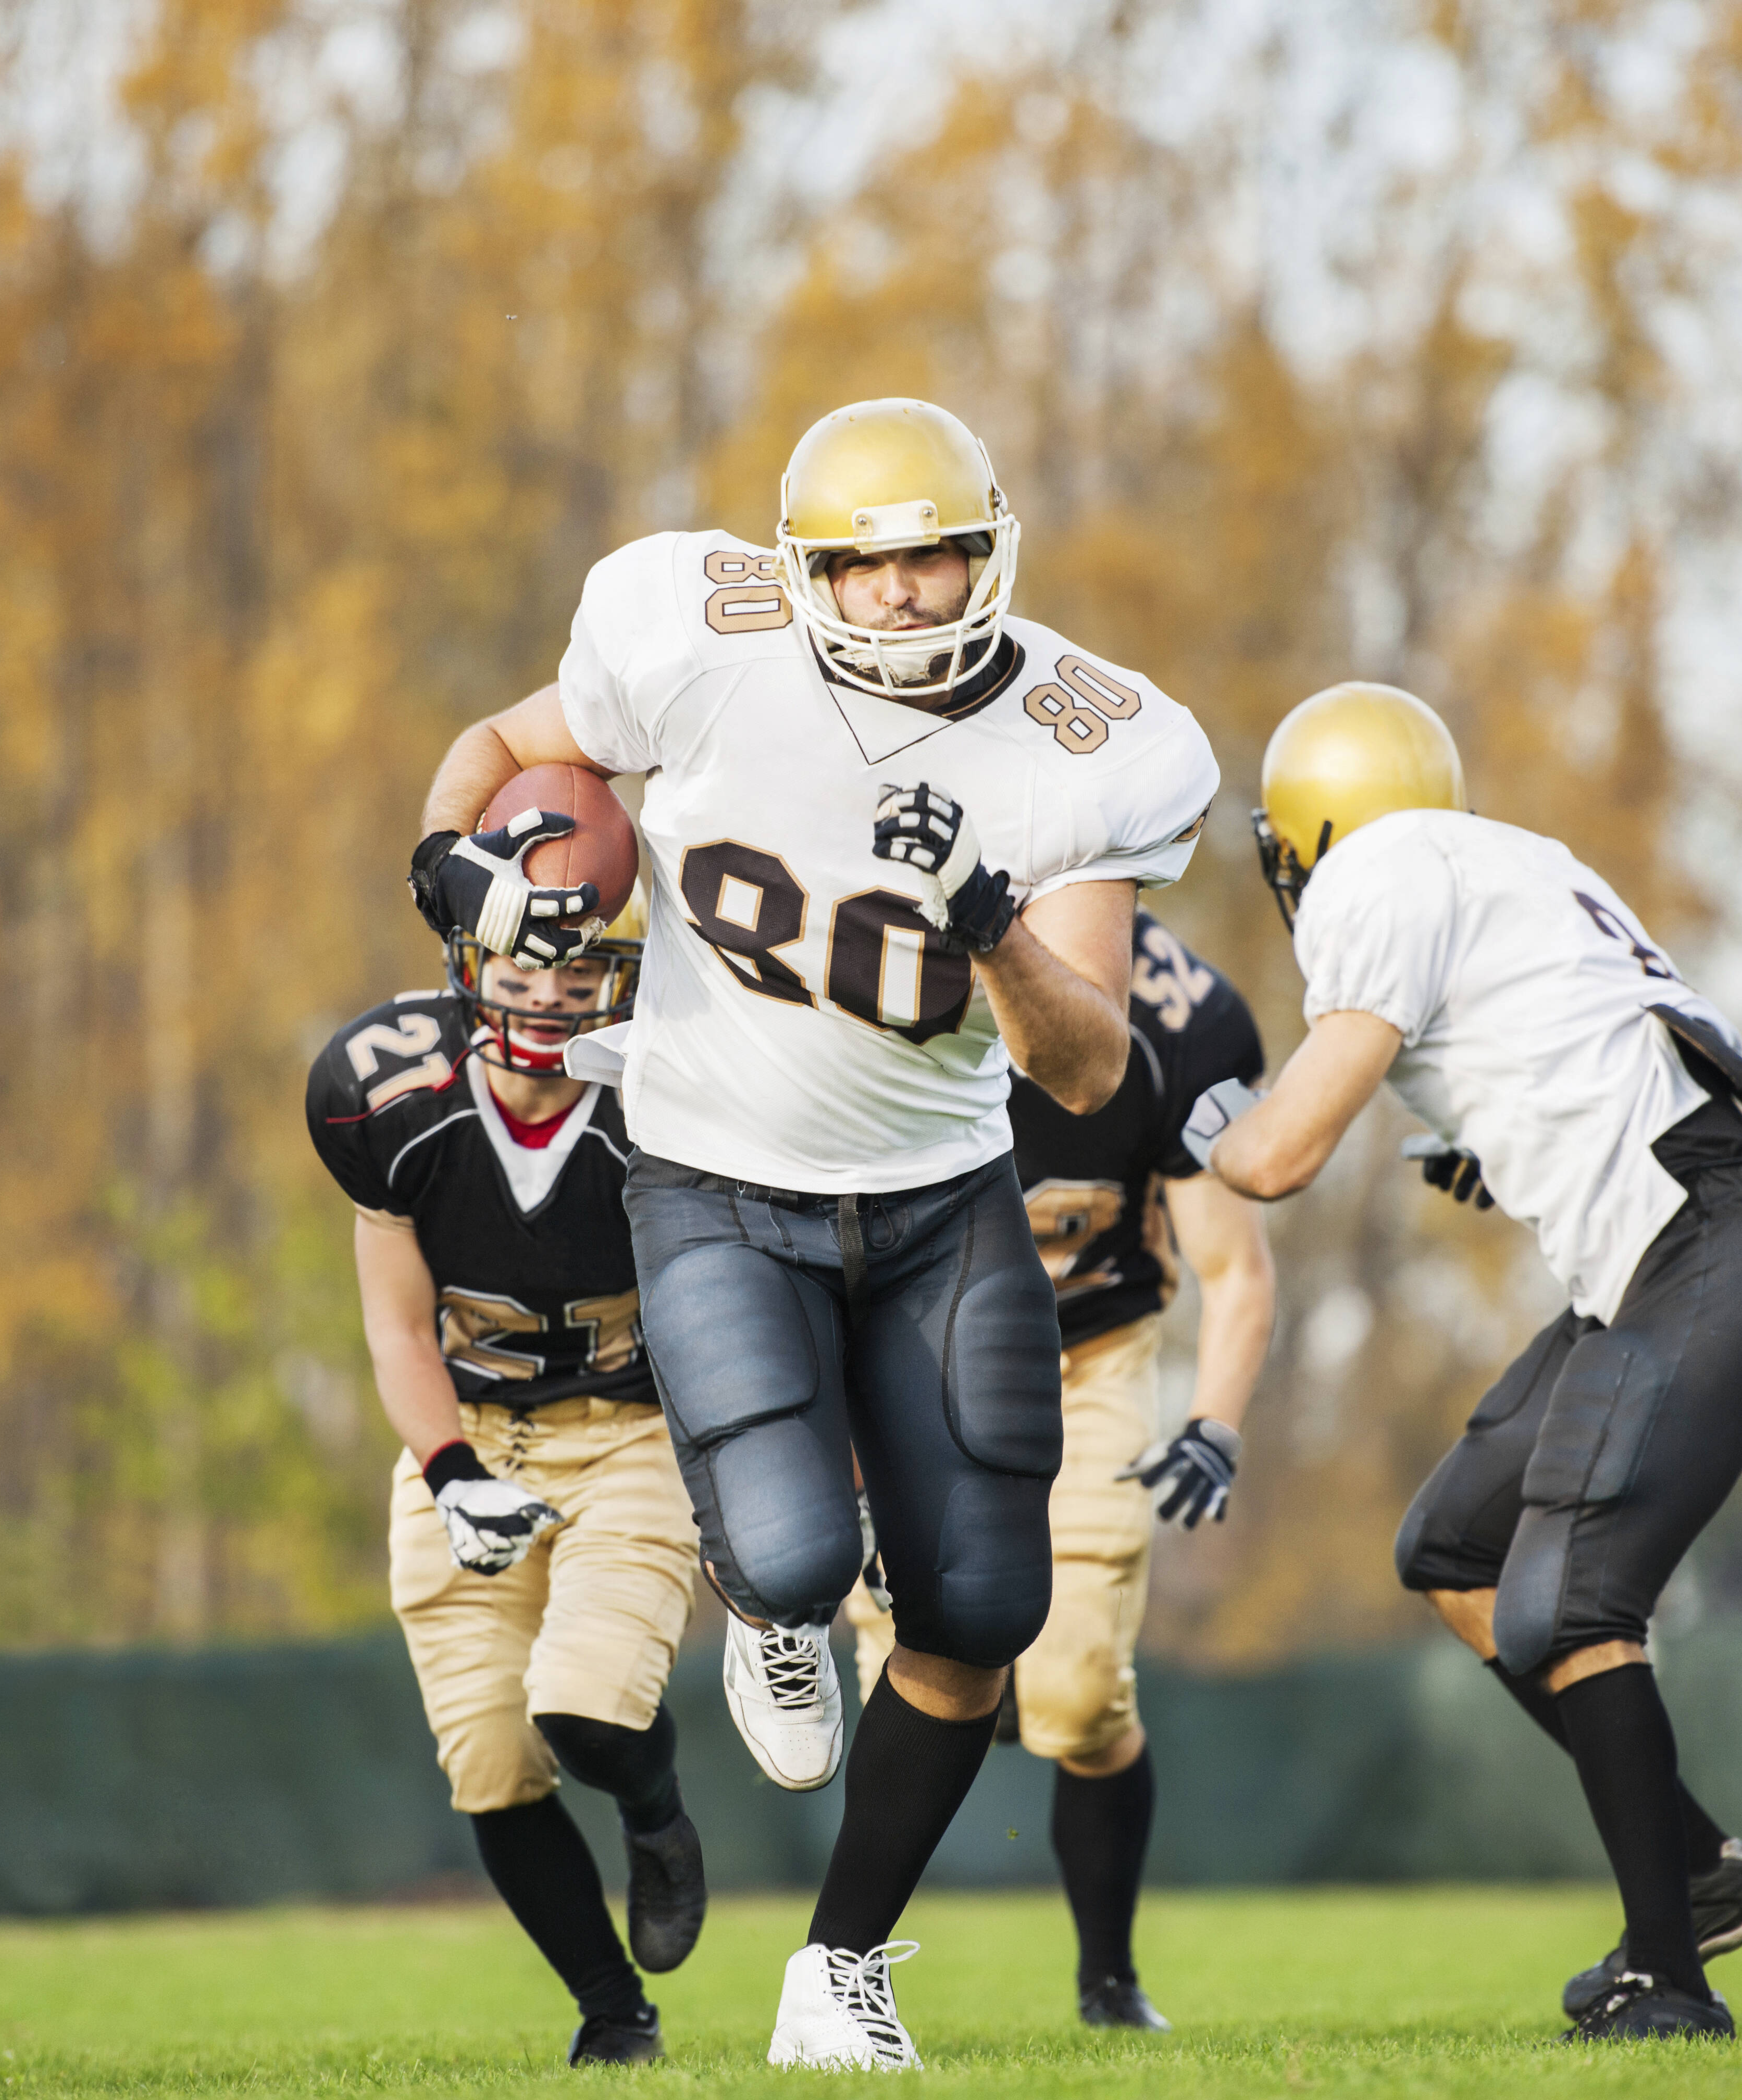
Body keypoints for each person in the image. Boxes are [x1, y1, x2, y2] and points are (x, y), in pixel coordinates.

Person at [407, 397, 1218, 2068]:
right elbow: (494, 745)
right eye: (862, 565)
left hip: (940, 1196)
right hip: (715, 1171)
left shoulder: (1090, 737)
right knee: (789, 1559)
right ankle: (775, 1611)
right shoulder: (700, 637)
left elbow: (1086, 1069)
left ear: (990, 554)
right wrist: (448, 861)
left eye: (935, 556)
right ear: (806, 572)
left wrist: (987, 918)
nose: (901, 592)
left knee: (982, 1611)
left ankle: (839, 1968)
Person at [1190, 682, 1742, 2043]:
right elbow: (1582, 1040)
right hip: (1700, 1240)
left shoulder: (1373, 873)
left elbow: (1281, 1155)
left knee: (1573, 1603)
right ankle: (1700, 1871)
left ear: (1309, 832)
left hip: (1706, 1248)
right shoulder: (1512, 858)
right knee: (1456, 1550)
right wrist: (1492, 1141)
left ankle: (1671, 1979)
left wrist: (1202, 1132)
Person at [844, 910, 1273, 2031]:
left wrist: (1214, 1422)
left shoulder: (1182, 1020)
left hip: (1089, 1358)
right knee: (901, 1681)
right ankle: (841, 1978)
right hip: (912, 1353)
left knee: (1081, 1692)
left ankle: (1109, 1980)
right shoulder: (867, 956)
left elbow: (1233, 1265)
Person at [304, 898, 704, 2067]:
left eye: (581, 976)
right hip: (470, 1429)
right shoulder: (393, 1100)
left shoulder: (672, 1101)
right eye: (525, 969)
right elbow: (397, 1328)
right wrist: (449, 1474)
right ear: (470, 961)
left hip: (632, 1433)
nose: (547, 997)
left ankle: (655, 1810)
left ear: (628, 982)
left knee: (585, 1708)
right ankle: (613, 2012)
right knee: (488, 1759)